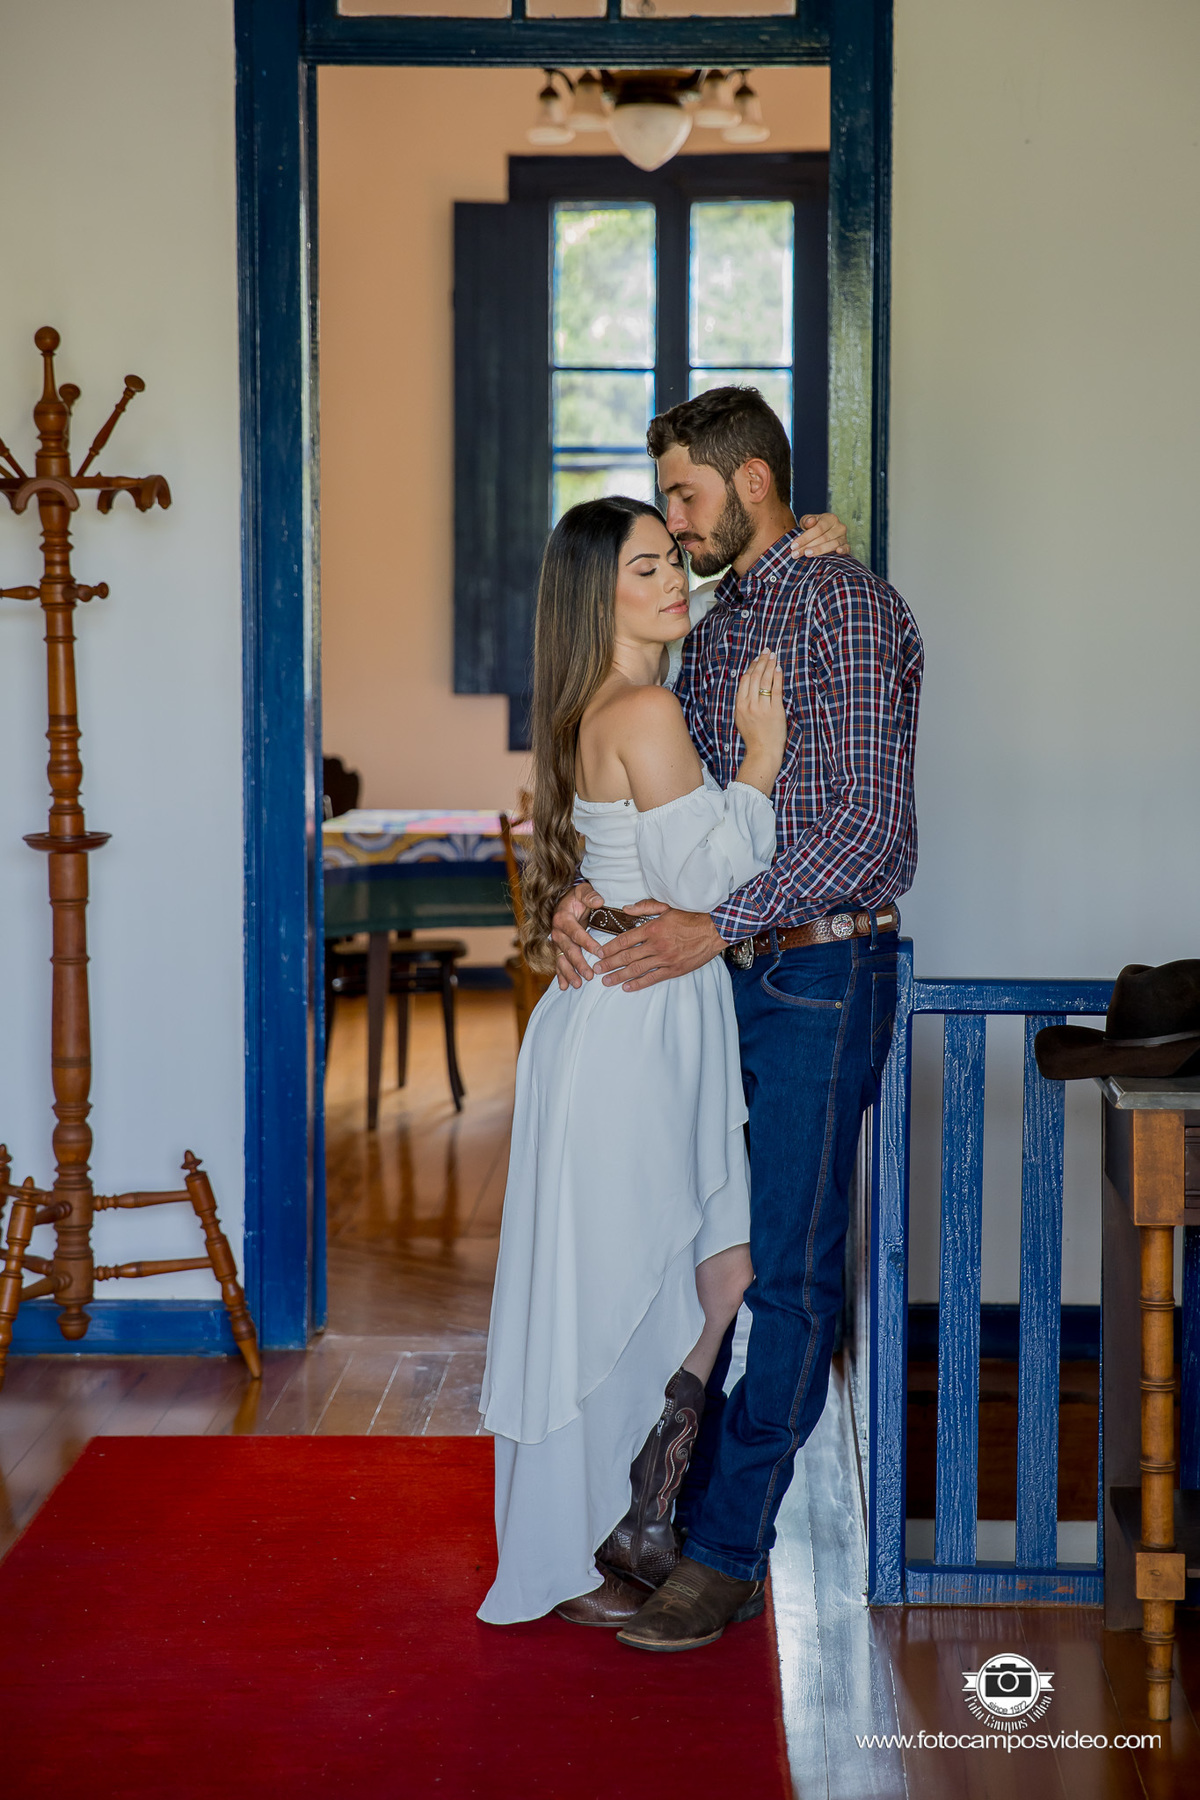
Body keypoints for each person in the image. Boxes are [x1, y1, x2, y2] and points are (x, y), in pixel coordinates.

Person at [552, 387, 923, 1652]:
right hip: (704, 990)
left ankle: (723, 1554)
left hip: (821, 974)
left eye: (686, 496)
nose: (673, 521)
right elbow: (679, 825)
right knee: (710, 1260)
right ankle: (656, 1518)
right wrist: (589, 890)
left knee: (796, 1274)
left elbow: (870, 831)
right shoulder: (705, 633)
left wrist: (721, 920)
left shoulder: (847, 607)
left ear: (753, 481)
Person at [477, 495, 789, 1627]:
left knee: (714, 1270)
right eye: (645, 568)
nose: (673, 583)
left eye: (672, 561)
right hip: (635, 1018)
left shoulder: (595, 705)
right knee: (634, 1273)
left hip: (635, 1006)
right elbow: (704, 883)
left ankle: (635, 1510)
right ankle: (605, 1531)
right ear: (595, 598)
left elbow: (627, 869)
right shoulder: (646, 708)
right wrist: (761, 763)